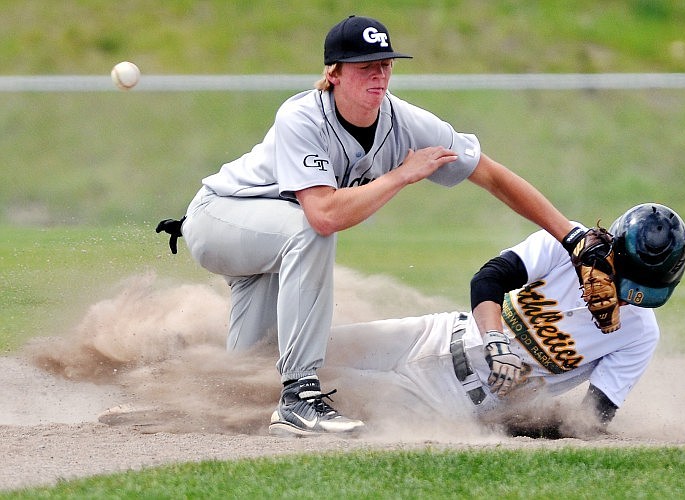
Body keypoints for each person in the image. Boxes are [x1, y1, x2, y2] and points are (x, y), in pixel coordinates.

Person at [164, 15, 601, 437]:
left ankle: (166, 396)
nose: (380, 75)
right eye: (365, 66)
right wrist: (401, 175)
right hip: (220, 219)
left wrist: (570, 234)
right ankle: (299, 396)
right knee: (309, 231)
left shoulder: (405, 122)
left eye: (386, 64)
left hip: (268, 247)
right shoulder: (302, 116)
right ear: (334, 73)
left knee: (248, 375)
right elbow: (325, 215)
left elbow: (490, 174)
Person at [323, 203, 685, 437]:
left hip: (450, 402)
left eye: (640, 291)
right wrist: (497, 343)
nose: (624, 298)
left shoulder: (638, 335)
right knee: (310, 357)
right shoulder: (566, 246)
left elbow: (590, 421)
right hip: (429, 334)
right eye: (623, 282)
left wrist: (530, 411)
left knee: (335, 403)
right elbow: (490, 279)